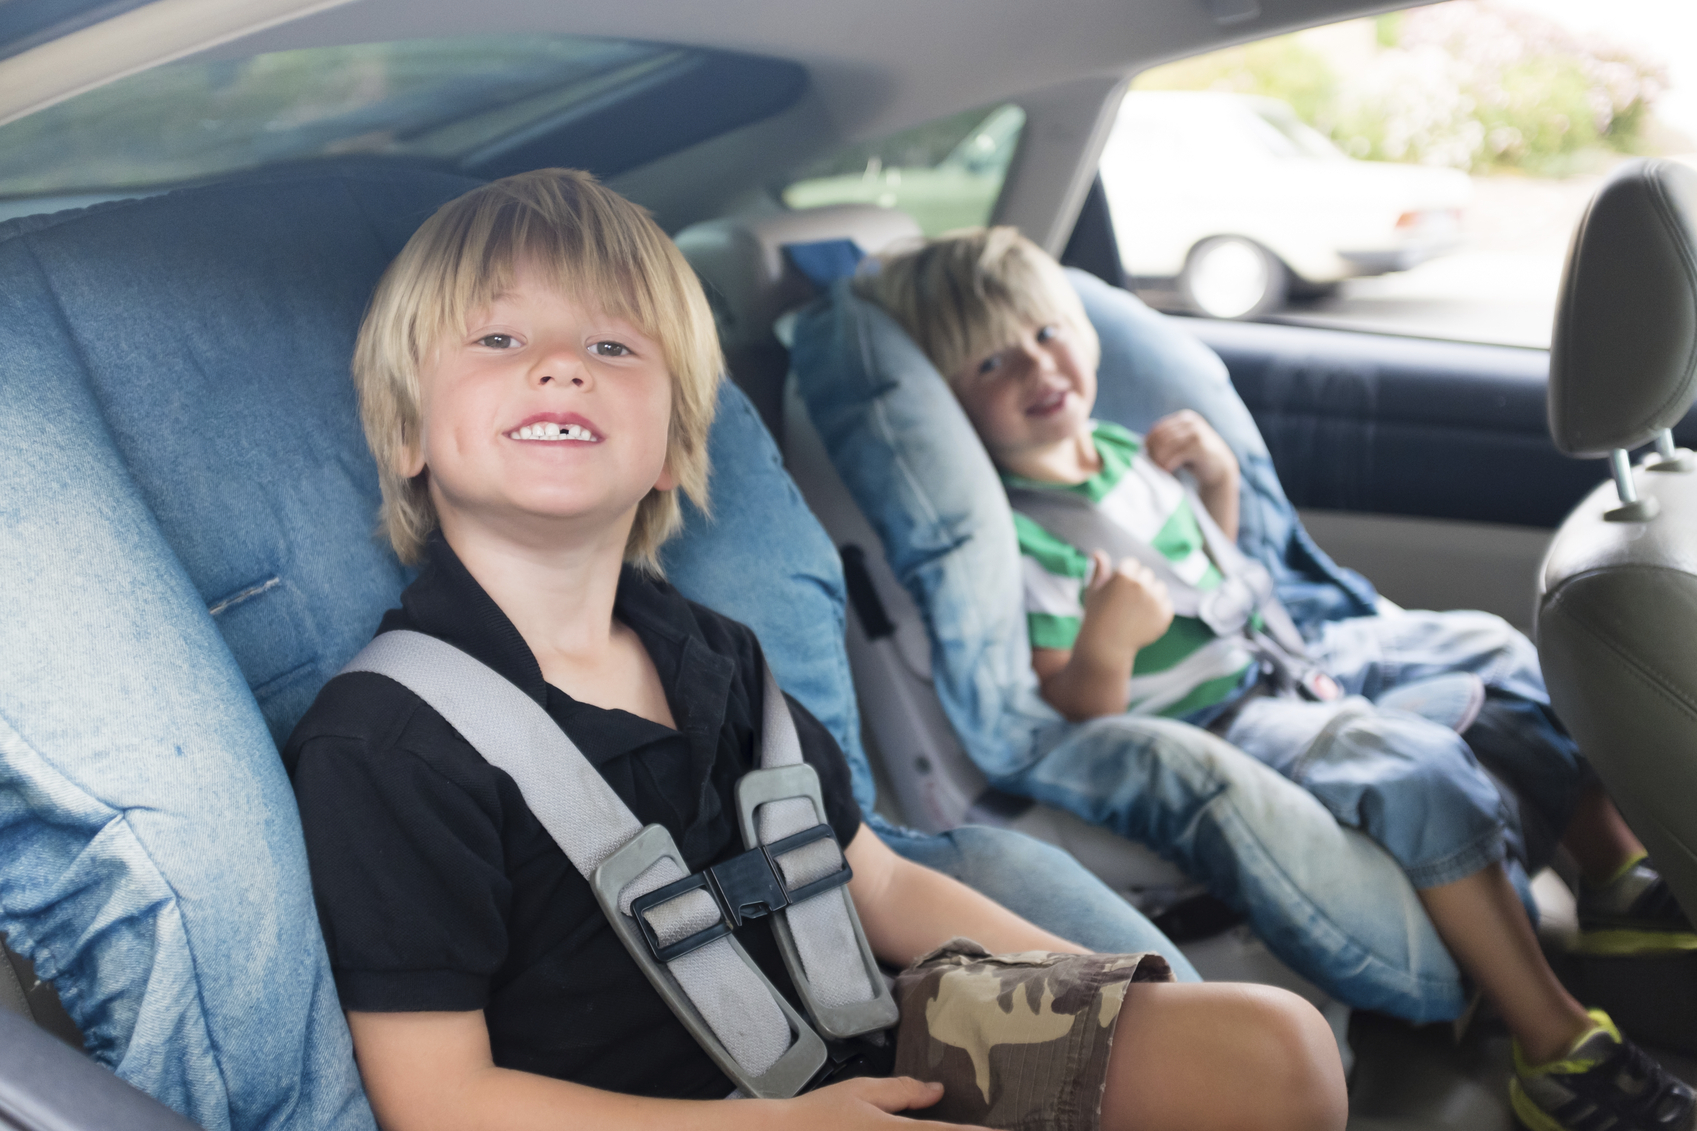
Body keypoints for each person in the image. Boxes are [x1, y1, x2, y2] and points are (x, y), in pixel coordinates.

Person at [282, 169, 1347, 1131]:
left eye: (612, 346)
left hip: (862, 1048)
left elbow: (868, 883)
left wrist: (1104, 989)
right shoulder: (388, 743)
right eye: (498, 340)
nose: (562, 367)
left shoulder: (709, 653)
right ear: (409, 433)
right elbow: (438, 1100)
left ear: (671, 452)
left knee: (1274, 1046)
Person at [856, 226, 1697, 1131]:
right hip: (1222, 709)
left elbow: (1217, 579)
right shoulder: (1027, 540)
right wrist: (1106, 643)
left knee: (1490, 647)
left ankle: (1612, 876)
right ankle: (1552, 1044)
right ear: (949, 401)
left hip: (1285, 652)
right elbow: (1078, 709)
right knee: (1406, 766)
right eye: (989, 363)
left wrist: (1216, 487)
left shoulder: (1124, 451)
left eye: (1046, 333)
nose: (1035, 367)